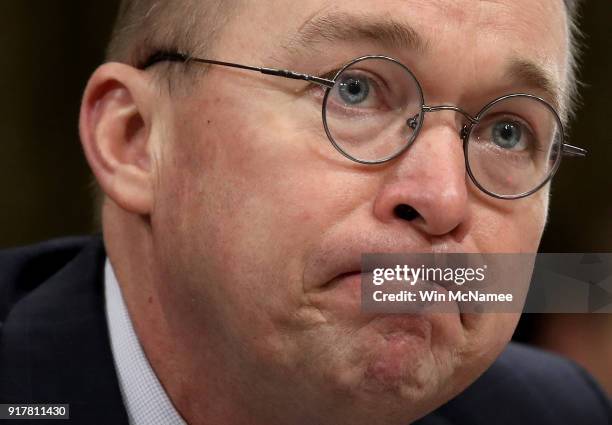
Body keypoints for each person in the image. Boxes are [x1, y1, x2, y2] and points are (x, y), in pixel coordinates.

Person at [1, 0, 610, 424]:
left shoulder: (556, 412)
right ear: (135, 140)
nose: (444, 199)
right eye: (355, 89)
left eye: (507, 132)